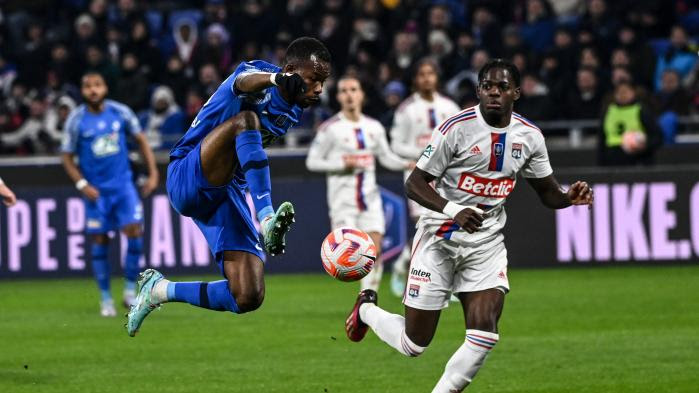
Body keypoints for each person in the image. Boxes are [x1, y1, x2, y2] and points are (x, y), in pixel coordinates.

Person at [345, 59, 594, 392]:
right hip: (439, 238)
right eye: (487, 86)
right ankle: (367, 310)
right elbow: (415, 183)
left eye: (502, 87)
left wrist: (567, 198)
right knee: (414, 344)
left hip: (486, 244)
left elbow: (547, 193)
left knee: (484, 333)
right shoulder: (455, 128)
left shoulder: (530, 137)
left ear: (516, 93)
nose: (494, 93)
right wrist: (453, 209)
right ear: (478, 91)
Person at [125, 37, 331, 336]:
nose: (319, 89)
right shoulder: (260, 76)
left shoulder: (296, 109)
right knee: (245, 121)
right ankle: (267, 217)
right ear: (290, 70)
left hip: (225, 191)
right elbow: (242, 82)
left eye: (323, 81)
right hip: (187, 173)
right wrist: (275, 78)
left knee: (248, 294)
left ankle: (159, 290)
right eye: (313, 79)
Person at [61, 72, 159, 317]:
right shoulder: (76, 120)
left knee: (135, 233)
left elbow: (142, 141)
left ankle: (128, 292)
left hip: (124, 187)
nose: (93, 90)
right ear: (82, 92)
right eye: (87, 86)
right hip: (96, 193)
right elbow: (66, 156)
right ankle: (106, 299)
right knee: (100, 241)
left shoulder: (121, 112)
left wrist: (153, 173)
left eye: (97, 85)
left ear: (105, 88)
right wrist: (82, 184)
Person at [306, 75, 412, 292]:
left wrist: (407, 164)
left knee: (375, 250)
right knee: (348, 256)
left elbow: (386, 157)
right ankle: (364, 295)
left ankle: (368, 297)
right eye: (344, 91)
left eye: (353, 89)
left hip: (370, 199)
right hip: (342, 201)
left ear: (361, 94)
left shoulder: (374, 127)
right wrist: (341, 163)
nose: (349, 95)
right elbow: (312, 162)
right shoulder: (330, 129)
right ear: (338, 97)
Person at [388, 59, 460, 297]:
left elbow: (461, 139)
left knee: (444, 227)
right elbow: (396, 144)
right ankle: (419, 274)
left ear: (436, 77)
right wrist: (426, 154)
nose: (427, 78)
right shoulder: (406, 109)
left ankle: (414, 269)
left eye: (431, 73)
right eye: (422, 74)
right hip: (419, 176)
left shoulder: (450, 107)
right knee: (427, 225)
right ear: (415, 80)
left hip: (446, 176)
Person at [598, 82, 661, 166]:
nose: (622, 95)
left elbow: (656, 135)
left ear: (633, 93)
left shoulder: (641, 110)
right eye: (619, 92)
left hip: (637, 157)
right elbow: (602, 138)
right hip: (613, 156)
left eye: (625, 92)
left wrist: (644, 147)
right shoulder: (608, 111)